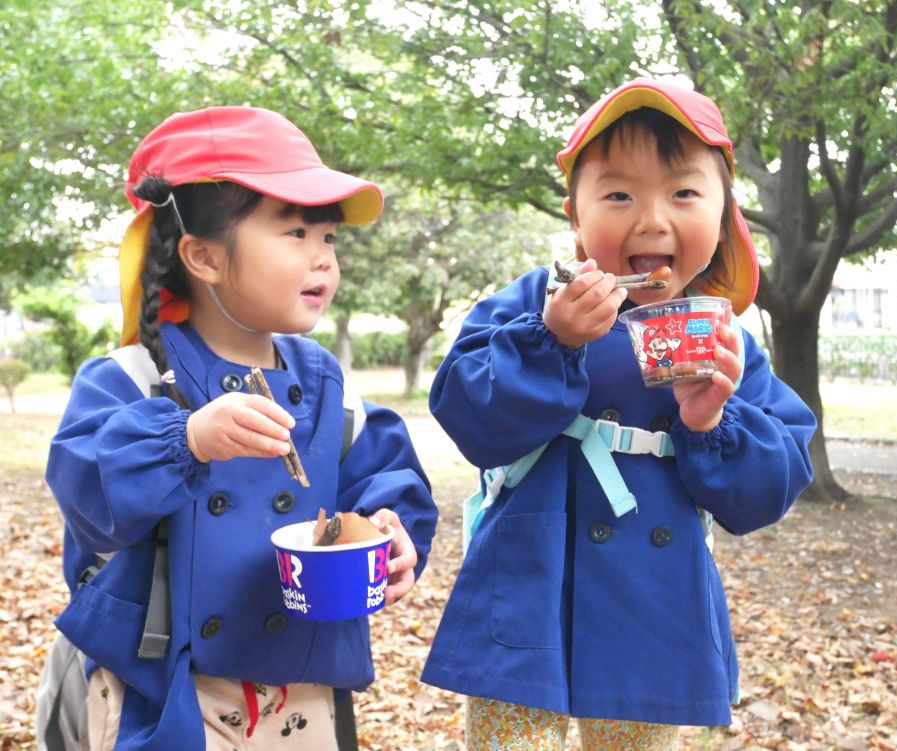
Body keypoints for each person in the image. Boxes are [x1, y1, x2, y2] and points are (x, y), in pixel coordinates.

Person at [421, 78, 816, 750]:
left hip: (653, 610)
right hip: (527, 592)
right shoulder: (533, 303)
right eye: (619, 194)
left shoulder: (726, 343)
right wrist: (551, 343)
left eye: (684, 193)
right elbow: (465, 412)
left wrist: (707, 424)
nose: (652, 219)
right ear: (575, 214)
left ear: (723, 214)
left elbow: (769, 486)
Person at [46, 106, 438, 751]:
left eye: (330, 239)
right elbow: (87, 491)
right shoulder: (134, 376)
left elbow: (383, 475)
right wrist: (188, 439)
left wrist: (390, 529)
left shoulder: (327, 386)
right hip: (165, 687)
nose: (323, 259)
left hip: (304, 687)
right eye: (296, 233)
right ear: (204, 256)